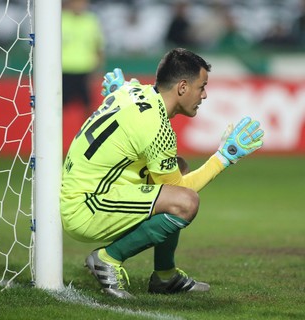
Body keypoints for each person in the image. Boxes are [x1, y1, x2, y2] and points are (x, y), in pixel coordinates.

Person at [60, 48, 264, 299]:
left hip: (80, 189)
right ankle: (108, 259)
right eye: (201, 87)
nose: (205, 94)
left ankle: (165, 276)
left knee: (178, 167)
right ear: (182, 87)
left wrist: (116, 90)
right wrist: (224, 156)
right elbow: (181, 192)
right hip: (86, 208)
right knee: (185, 202)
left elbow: (123, 92)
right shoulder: (157, 127)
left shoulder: (133, 90)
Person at [62, 0, 105, 115]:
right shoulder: (60, 19)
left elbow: (98, 46)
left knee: (89, 105)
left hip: (85, 69)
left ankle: (89, 131)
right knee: (58, 104)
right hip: (63, 69)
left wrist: (98, 69)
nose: (79, 5)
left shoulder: (91, 20)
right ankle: (53, 131)